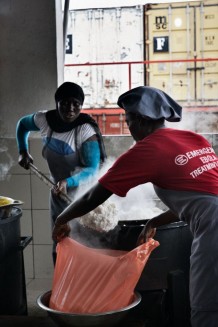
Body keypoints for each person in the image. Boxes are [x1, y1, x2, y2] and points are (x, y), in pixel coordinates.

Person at [52, 86, 218, 327]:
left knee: (207, 310)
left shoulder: (148, 149)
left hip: (213, 231)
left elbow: (92, 198)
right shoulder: (194, 139)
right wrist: (155, 222)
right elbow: (199, 197)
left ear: (140, 120)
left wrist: (61, 219)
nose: (129, 129)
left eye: (128, 121)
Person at [16, 81, 106, 264]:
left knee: (83, 247)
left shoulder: (85, 130)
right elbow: (22, 125)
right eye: (65, 103)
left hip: (83, 197)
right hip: (57, 195)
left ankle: (83, 290)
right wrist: (23, 151)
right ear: (57, 102)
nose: (70, 109)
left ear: (81, 105)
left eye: (76, 104)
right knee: (60, 243)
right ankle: (62, 288)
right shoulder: (44, 120)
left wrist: (68, 182)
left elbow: (92, 170)